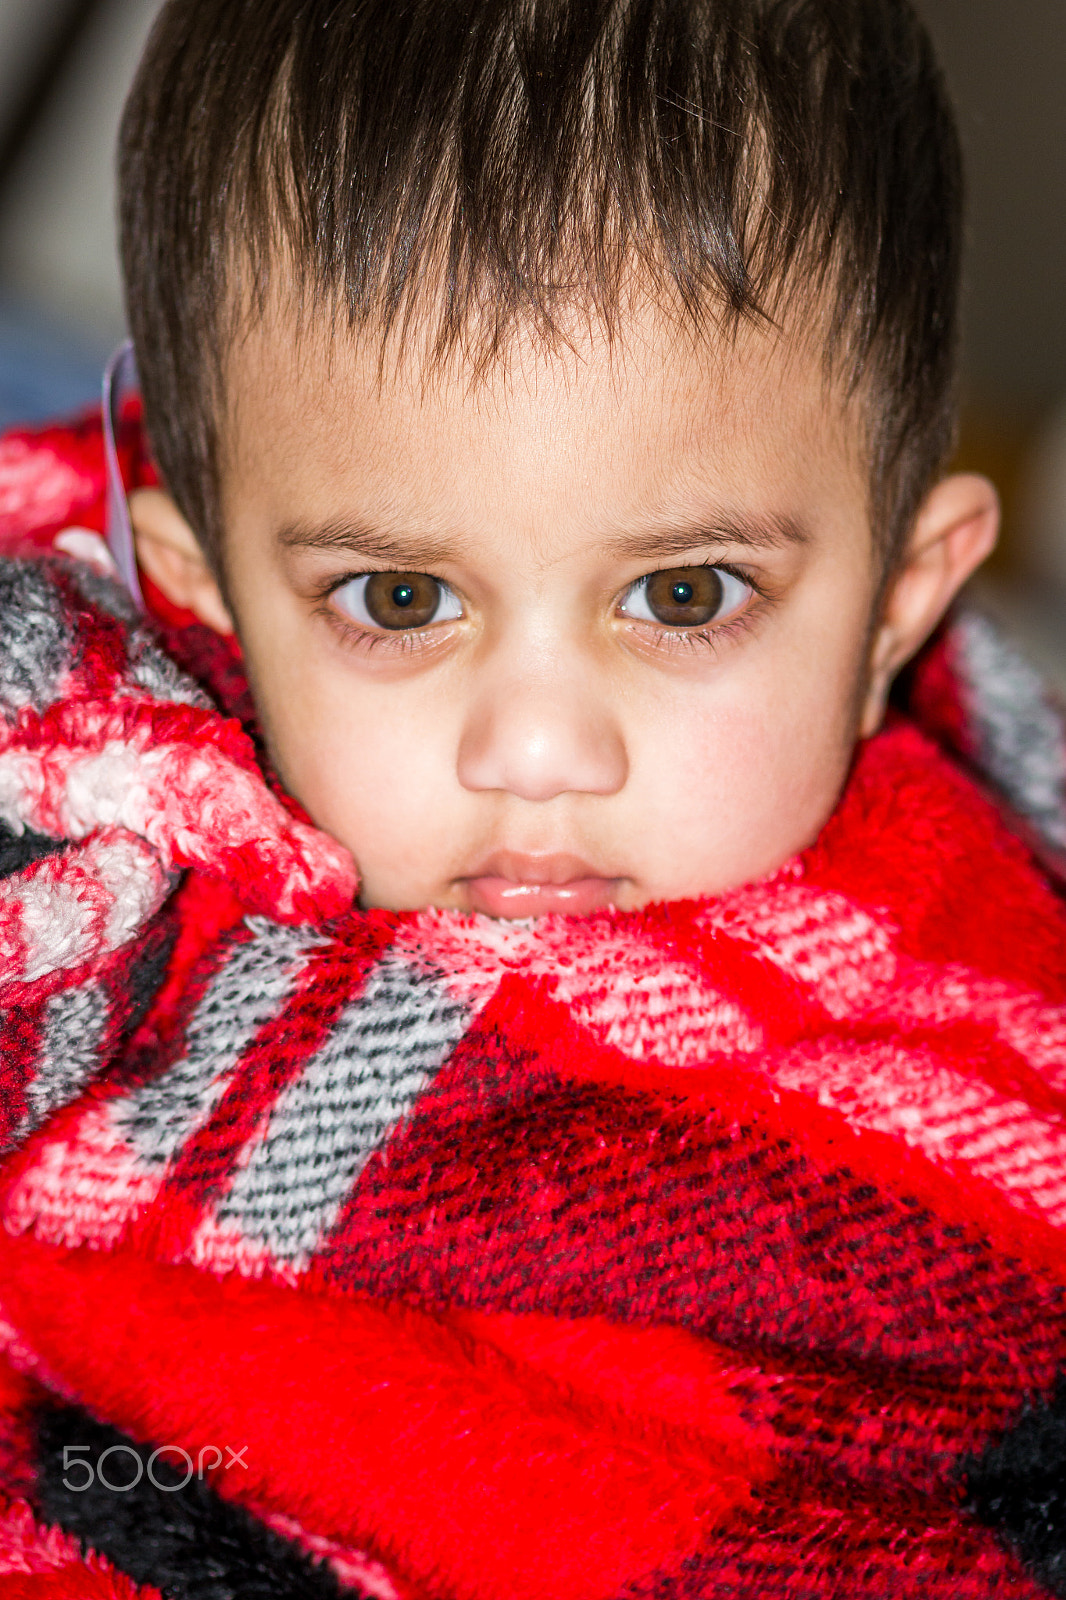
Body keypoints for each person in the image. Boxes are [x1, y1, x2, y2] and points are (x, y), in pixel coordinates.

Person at [0, 1, 1065, 1596]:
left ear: (891, 617)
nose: (545, 750)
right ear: (203, 592)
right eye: (405, 603)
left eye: (688, 595)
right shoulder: (97, 907)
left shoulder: (992, 1062)